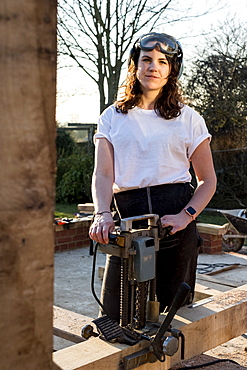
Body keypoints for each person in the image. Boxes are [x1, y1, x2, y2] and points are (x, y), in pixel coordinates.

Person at [89, 32, 217, 322]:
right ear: (135, 64)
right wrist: (102, 214)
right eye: (146, 59)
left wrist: (186, 216)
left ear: (172, 70)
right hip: (128, 221)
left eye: (162, 62)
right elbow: (104, 173)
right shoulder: (112, 116)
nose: (153, 67)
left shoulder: (189, 119)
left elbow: (207, 180)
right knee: (116, 315)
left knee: (174, 317)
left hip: (174, 220)